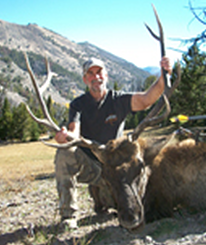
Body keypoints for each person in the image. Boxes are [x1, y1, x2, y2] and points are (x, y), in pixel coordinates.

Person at [54, 56, 172, 228]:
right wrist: (66, 136)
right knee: (65, 152)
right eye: (91, 74)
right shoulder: (78, 105)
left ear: (106, 75)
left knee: (126, 191)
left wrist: (163, 76)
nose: (96, 77)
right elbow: (74, 130)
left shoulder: (118, 100)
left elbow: (146, 99)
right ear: (85, 79)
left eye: (99, 72)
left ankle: (102, 196)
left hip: (116, 168)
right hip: (92, 166)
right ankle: (68, 215)